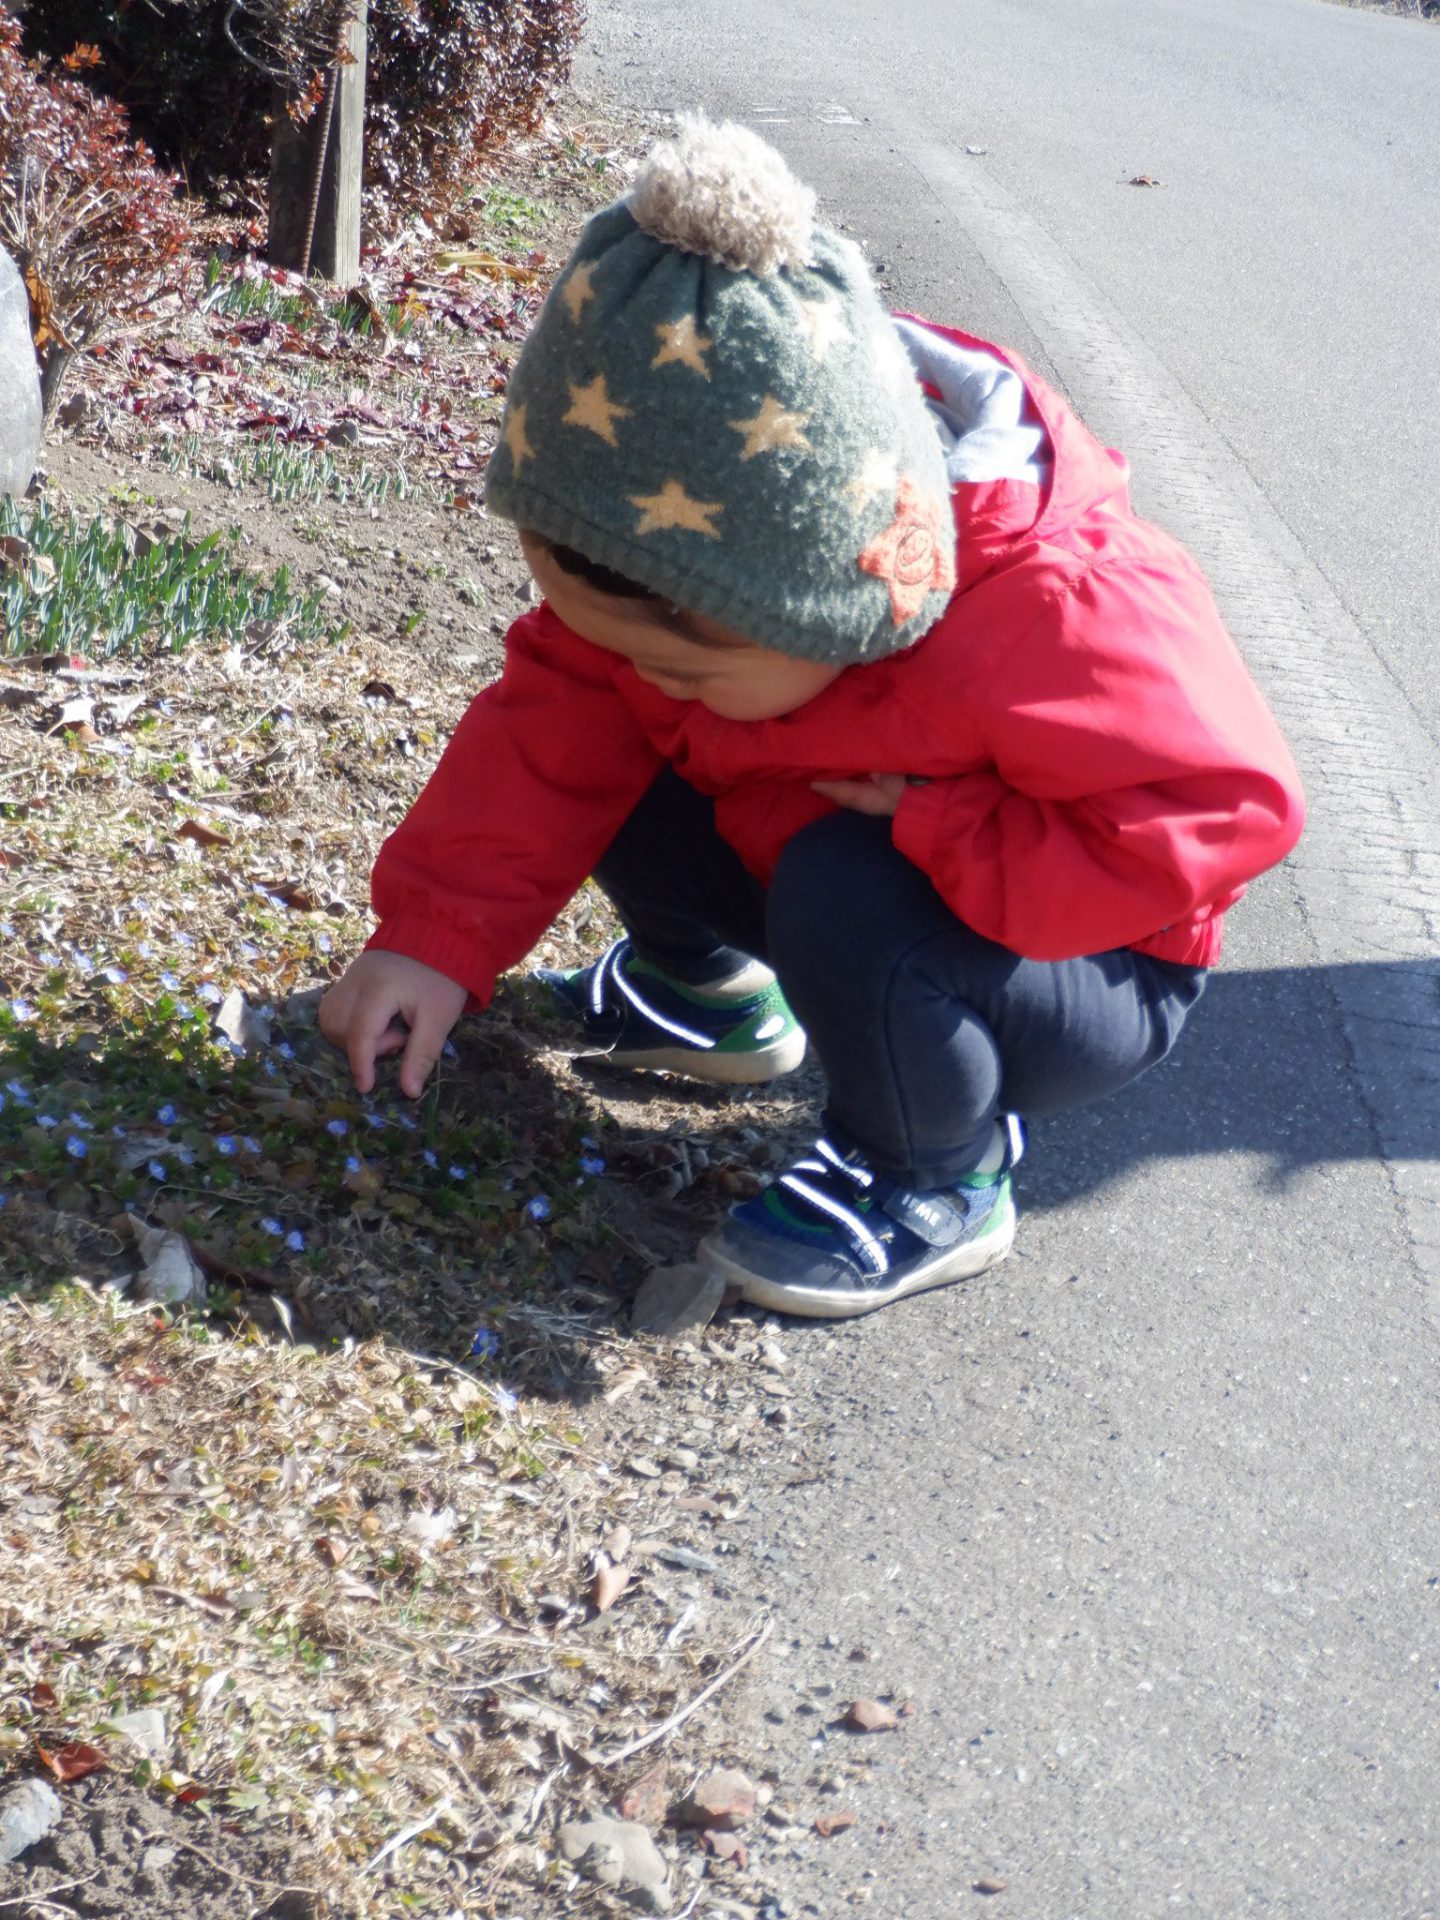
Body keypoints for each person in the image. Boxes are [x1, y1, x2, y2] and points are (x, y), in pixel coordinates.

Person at [319, 118, 1304, 1320]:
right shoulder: (694, 557)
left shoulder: (1056, 608)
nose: (646, 675)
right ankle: (705, 997)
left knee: (854, 889)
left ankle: (937, 1172)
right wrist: (434, 935)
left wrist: (950, 830)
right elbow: (553, 725)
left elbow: (1219, 813)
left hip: (1074, 959)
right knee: (617, 748)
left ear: (830, 606)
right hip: (809, 846)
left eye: (686, 664)